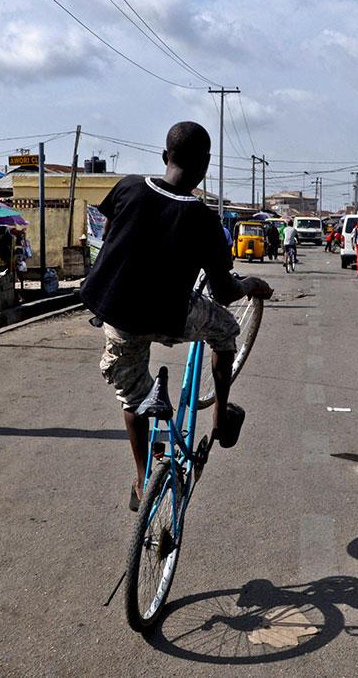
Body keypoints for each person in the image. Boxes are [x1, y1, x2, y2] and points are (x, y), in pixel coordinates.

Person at [80, 121, 273, 511]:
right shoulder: (204, 221)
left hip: (117, 310)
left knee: (132, 396)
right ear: (205, 167)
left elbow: (113, 236)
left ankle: (140, 479)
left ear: (165, 157)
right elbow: (223, 291)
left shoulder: (128, 187)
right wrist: (251, 283)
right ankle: (219, 415)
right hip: (171, 315)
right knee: (225, 330)